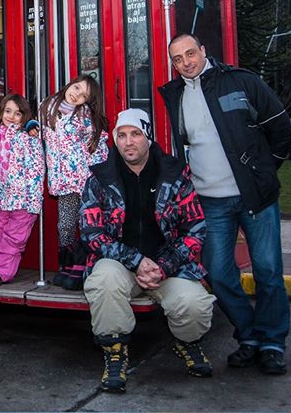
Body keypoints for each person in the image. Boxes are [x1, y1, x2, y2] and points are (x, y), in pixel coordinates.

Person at [159, 33, 291, 376]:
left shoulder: (241, 81)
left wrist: (262, 171)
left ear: (204, 51)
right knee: (218, 274)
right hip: (210, 202)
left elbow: (280, 128)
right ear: (173, 63)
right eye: (178, 58)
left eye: (191, 53)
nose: (186, 62)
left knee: (268, 271)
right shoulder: (173, 95)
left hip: (255, 197)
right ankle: (249, 336)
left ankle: (273, 344)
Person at [80, 108, 215, 393]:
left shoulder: (176, 174)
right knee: (103, 280)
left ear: (149, 137)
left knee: (195, 304)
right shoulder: (99, 178)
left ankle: (187, 343)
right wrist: (137, 261)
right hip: (120, 266)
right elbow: (91, 232)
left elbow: (196, 229)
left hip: (167, 266)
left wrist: (163, 266)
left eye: (136, 134)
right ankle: (115, 352)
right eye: (122, 135)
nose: (128, 142)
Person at [40, 74, 109, 289]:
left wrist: (98, 176)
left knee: (86, 222)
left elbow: (97, 144)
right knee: (65, 225)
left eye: (83, 95)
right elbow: (39, 134)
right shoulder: (47, 107)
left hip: (85, 180)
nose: (76, 94)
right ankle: (66, 264)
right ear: (70, 83)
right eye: (76, 87)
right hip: (63, 181)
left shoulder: (84, 115)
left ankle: (83, 264)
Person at [0, 94, 45, 286]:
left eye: (17, 113)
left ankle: (1, 271)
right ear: (0, 113)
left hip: (23, 199)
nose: (12, 117)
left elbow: (36, 170)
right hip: (3, 198)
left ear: (25, 117)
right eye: (8, 111)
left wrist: (33, 200)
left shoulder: (29, 139)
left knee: (13, 237)